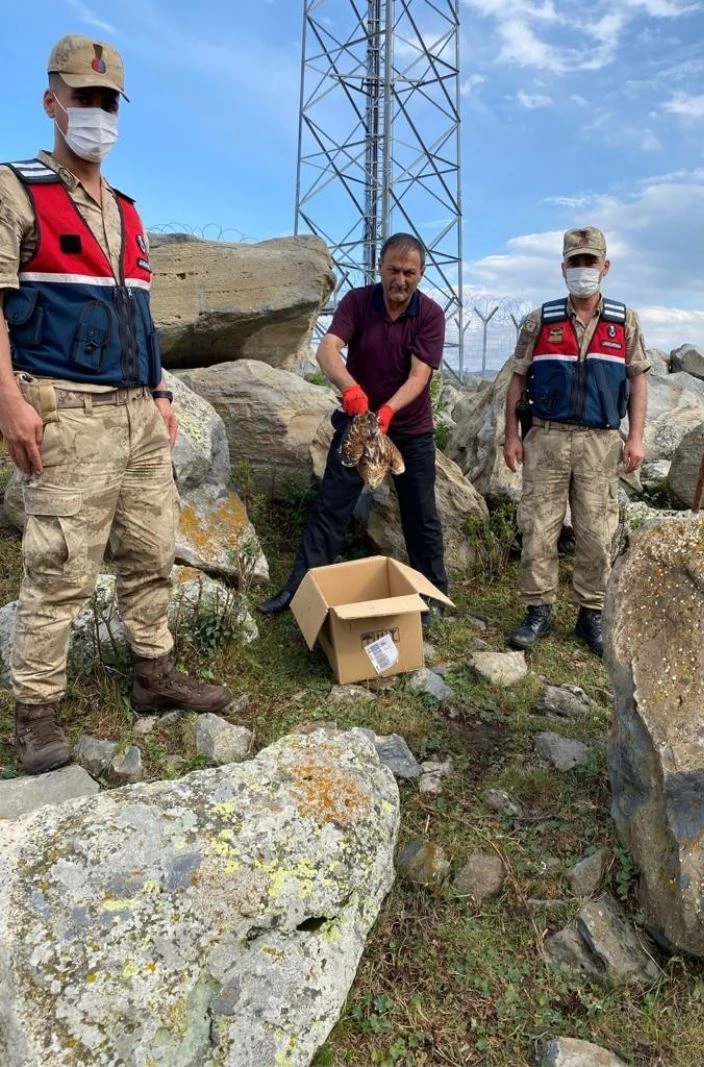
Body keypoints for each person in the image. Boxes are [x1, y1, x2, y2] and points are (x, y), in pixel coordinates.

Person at [0, 35, 232, 776]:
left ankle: (153, 673)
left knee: (151, 549)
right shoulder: (18, 189)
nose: (95, 112)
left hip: (138, 413)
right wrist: (8, 399)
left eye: (106, 101)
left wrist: (161, 393)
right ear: (52, 102)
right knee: (61, 565)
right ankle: (35, 712)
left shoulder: (128, 212)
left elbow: (140, 315)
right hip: (66, 410)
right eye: (82, 98)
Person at [258, 232, 448, 618]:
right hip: (358, 422)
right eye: (393, 270)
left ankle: (433, 595)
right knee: (331, 505)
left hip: (409, 429)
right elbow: (327, 349)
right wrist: (351, 390)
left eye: (409, 272)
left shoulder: (430, 315)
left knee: (421, 513)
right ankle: (299, 592)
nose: (400, 280)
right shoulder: (359, 302)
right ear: (379, 267)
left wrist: (389, 411)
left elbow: (418, 376)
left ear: (421, 273)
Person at [503, 226, 649, 657]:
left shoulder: (625, 322)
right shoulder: (540, 320)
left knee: (596, 532)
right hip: (546, 438)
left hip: (600, 442)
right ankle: (537, 610)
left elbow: (638, 382)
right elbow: (517, 379)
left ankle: (591, 613)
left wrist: (636, 438)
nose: (582, 269)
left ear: (605, 267)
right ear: (562, 267)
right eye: (575, 262)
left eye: (590, 261)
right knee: (538, 528)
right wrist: (512, 435)